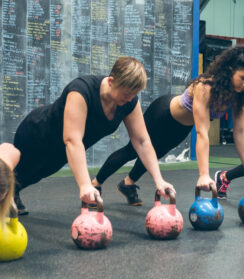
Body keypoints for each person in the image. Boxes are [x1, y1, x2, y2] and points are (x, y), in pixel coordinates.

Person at [93, 45, 244, 201]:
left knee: (157, 152)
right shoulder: (206, 87)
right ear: (229, 69)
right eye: (243, 78)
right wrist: (204, 174)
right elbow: (202, 133)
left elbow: (241, 132)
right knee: (132, 151)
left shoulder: (241, 94)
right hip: (162, 115)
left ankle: (128, 183)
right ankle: (95, 184)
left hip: (181, 127)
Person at [12, 56, 175, 215]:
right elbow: (73, 140)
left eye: (134, 94)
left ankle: (10, 193)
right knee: (20, 172)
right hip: (37, 135)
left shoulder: (128, 102)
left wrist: (159, 180)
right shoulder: (82, 90)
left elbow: (142, 141)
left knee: (35, 175)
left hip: (59, 149)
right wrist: (85, 185)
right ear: (111, 82)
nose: (130, 99)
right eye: (126, 94)